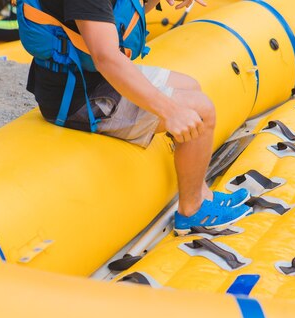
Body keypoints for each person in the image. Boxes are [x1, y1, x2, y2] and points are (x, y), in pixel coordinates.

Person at [24, 0, 252, 235]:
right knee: (201, 111)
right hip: (78, 98)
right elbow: (106, 58)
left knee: (190, 86)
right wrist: (170, 111)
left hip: (91, 78)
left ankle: (201, 193)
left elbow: (123, 17)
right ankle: (192, 211)